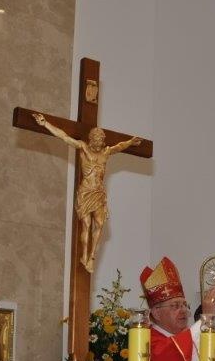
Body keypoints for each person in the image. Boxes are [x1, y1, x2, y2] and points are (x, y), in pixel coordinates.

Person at [33, 113, 142, 272]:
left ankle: (91, 257)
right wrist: (45, 124)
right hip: (86, 192)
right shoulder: (83, 147)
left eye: (100, 141)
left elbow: (119, 146)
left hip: (98, 193)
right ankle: (84, 255)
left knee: (100, 223)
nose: (98, 144)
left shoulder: (106, 152)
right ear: (91, 140)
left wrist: (130, 142)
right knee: (87, 224)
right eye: (96, 141)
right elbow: (64, 137)